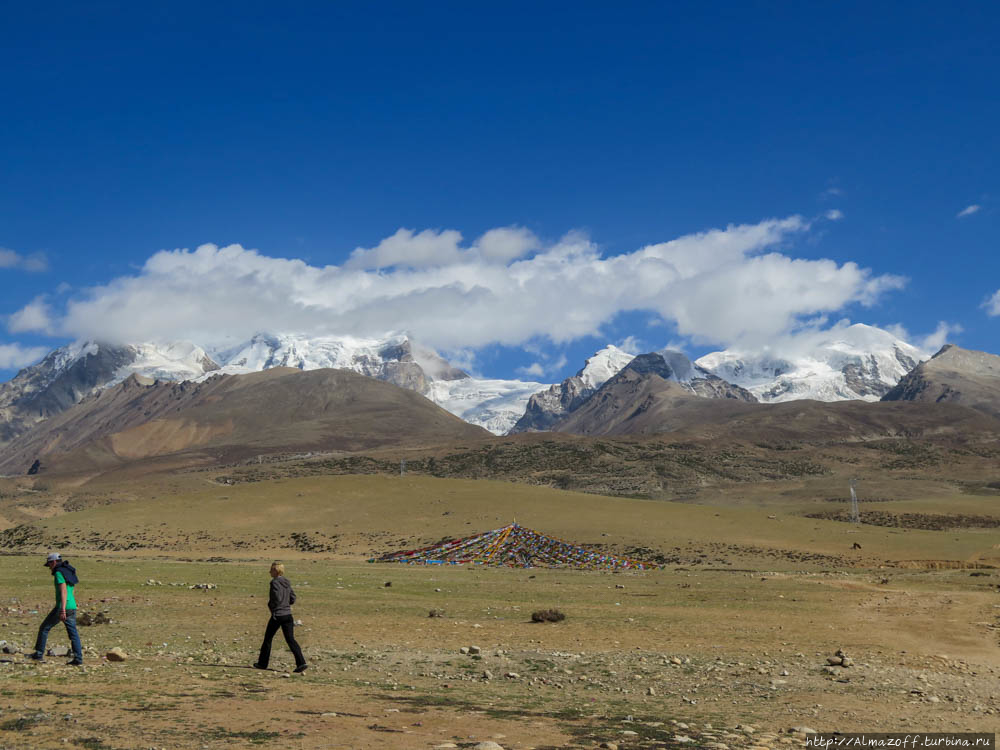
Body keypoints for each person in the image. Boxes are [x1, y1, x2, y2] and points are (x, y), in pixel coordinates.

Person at [30, 553, 83, 666]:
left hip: (62, 607)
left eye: (49, 564)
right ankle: (78, 658)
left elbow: (63, 591)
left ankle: (38, 654)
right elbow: (71, 590)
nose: (49, 567)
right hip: (72, 606)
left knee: (44, 628)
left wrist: (62, 609)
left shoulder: (59, 573)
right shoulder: (68, 571)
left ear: (53, 562)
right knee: (73, 633)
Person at [254, 561, 307, 672]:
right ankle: (301, 663)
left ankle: (262, 664)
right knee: (291, 640)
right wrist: (286, 605)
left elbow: (276, 598)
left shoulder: (274, 583)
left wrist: (271, 607)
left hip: (277, 615)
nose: (269, 572)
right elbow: (293, 598)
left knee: (268, 639)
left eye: (271, 570)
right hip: (288, 615)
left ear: (276, 571)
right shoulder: (287, 582)